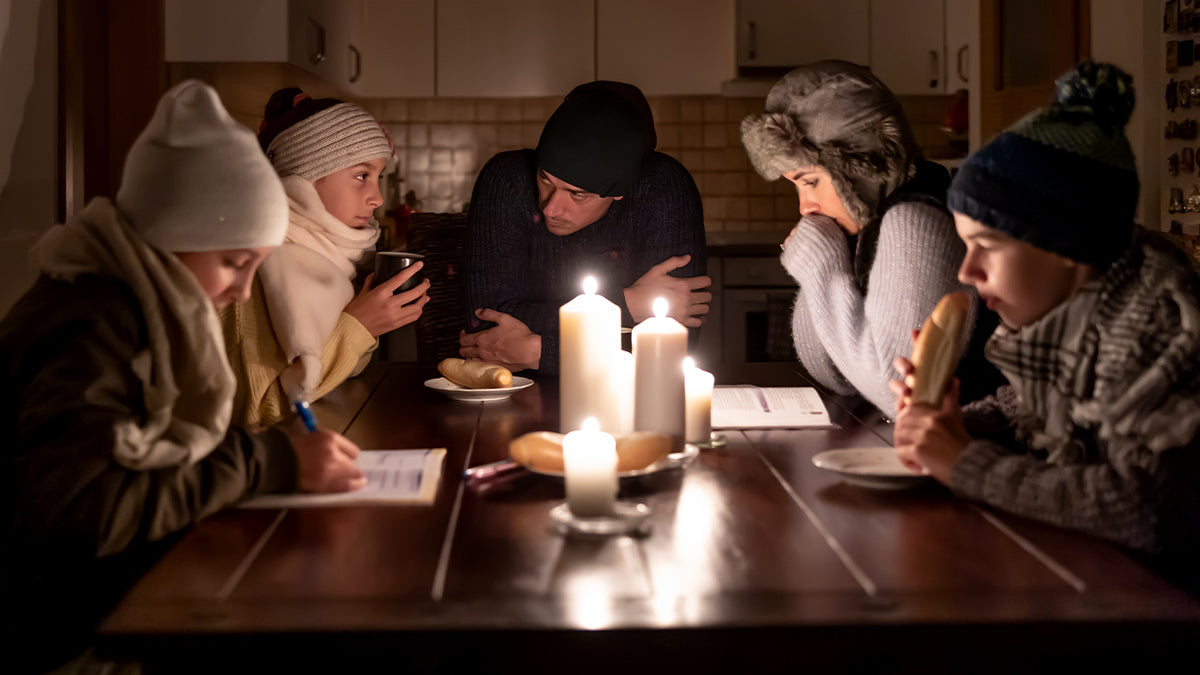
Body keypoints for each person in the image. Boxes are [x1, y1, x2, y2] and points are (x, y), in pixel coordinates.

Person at [0, 81, 367, 673]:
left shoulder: (135, 299)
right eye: (232, 261)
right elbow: (84, 515)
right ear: (173, 236)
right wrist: (274, 463)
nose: (242, 289)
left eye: (255, 265)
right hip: (56, 639)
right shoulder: (92, 327)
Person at [890, 61, 1200, 570]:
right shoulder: (1079, 319)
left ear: (1066, 244)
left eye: (987, 246)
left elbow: (1145, 507)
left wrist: (967, 464)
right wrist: (948, 424)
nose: (968, 272)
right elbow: (1031, 410)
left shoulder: (1155, 325)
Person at [740, 60, 1003, 413]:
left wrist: (823, 272)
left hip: (969, 450)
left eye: (811, 181)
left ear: (858, 167)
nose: (805, 206)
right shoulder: (870, 221)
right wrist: (829, 265)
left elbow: (897, 398)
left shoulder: (915, 222)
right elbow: (836, 376)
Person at [460, 80, 710, 374]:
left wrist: (539, 352)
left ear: (619, 192)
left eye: (577, 194)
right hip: (505, 389)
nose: (551, 208)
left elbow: (672, 347)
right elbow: (486, 324)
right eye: (545, 180)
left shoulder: (662, 189)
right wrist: (629, 305)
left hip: (627, 399)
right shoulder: (508, 180)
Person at [222, 88, 430, 427]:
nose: (376, 198)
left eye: (378, 177)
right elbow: (258, 411)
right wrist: (359, 326)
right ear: (304, 177)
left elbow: (336, 368)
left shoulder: (317, 254)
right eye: (362, 176)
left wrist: (367, 320)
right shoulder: (256, 265)